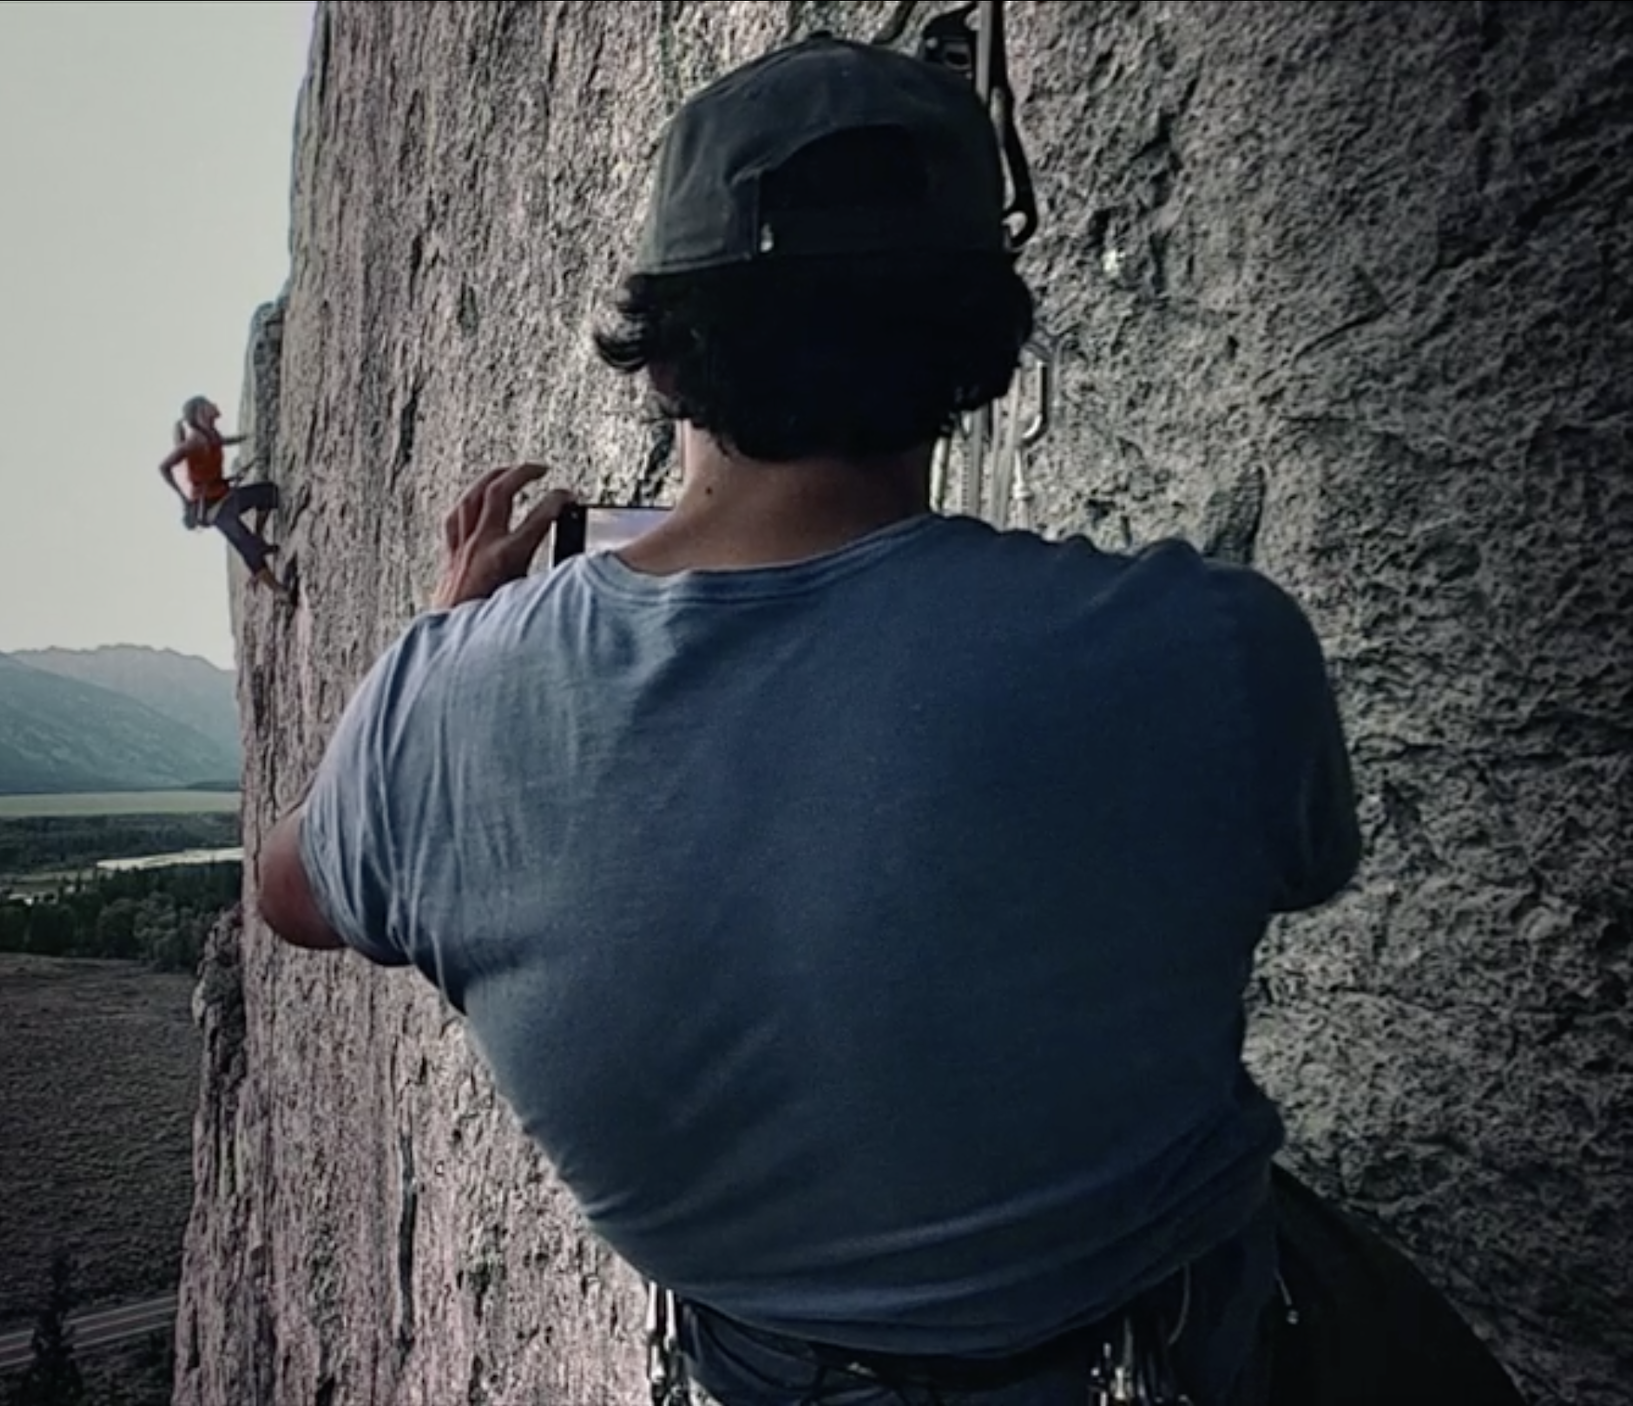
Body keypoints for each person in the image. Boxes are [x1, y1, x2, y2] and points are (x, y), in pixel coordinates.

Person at [251, 34, 1384, 1406]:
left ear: (663, 362)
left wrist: (444, 648)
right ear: (979, 353)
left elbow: (292, 890)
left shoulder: (438, 707)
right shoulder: (1214, 649)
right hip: (1162, 1360)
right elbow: (1311, 856)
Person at [159, 394, 297, 602]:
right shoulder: (192, 444)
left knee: (268, 494)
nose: (214, 405)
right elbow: (164, 467)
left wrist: (247, 437)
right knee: (247, 547)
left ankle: (258, 538)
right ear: (200, 412)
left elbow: (221, 442)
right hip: (213, 509)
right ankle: (280, 592)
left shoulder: (210, 434)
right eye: (208, 405)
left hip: (225, 496)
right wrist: (183, 499)